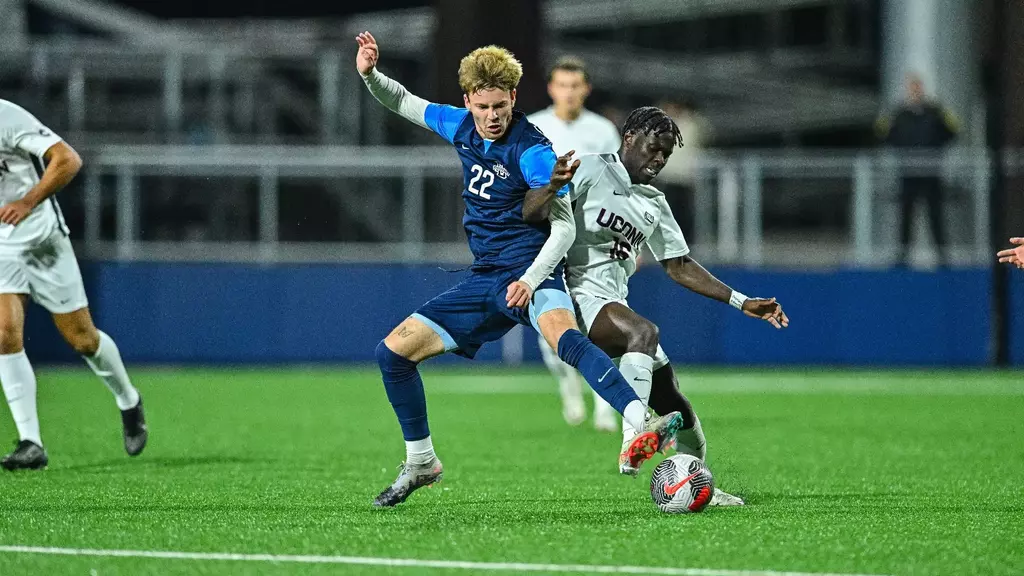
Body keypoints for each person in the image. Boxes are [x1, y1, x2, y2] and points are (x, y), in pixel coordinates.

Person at [354, 32, 682, 507]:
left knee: (566, 340)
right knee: (392, 355)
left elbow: (564, 232)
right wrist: (369, 74)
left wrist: (529, 280)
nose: (491, 117)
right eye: (483, 107)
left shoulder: (534, 151)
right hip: (486, 276)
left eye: (500, 107)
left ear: (513, 98)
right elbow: (403, 100)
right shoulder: (458, 123)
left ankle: (639, 417)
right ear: (468, 101)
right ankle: (422, 460)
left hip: (534, 269)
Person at [539, 106, 789, 504]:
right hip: (573, 297)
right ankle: (632, 437)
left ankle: (698, 479)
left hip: (611, 301)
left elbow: (679, 266)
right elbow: (536, 213)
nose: (659, 160)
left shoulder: (654, 202)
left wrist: (742, 302)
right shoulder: (587, 170)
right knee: (644, 331)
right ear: (629, 139)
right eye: (654, 149)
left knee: (674, 401)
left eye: (666, 155)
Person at [0, 99, 147, 471]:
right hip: (1, 246)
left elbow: (68, 159)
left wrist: (28, 201)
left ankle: (128, 400)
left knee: (83, 338)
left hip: (40, 238)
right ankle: (31, 442)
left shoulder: (6, 116)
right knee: (4, 333)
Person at [528, 56, 621, 432]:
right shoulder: (533, 126)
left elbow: (620, 187)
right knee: (549, 322)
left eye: (575, 85)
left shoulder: (602, 131)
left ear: (586, 89)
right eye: (562, 85)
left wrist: (628, 238)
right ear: (552, 89)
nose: (568, 92)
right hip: (544, 237)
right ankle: (567, 382)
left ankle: (603, 403)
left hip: (593, 238)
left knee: (596, 320)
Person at [876, 73, 959, 267]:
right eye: (912, 88)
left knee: (935, 214)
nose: (915, 91)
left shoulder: (934, 111)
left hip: (931, 172)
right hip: (908, 172)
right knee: (906, 214)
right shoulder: (899, 114)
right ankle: (903, 255)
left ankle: (942, 256)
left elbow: (953, 131)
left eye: (918, 87)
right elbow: (883, 134)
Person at [656, 98, 711, 242]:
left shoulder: (691, 125)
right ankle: (668, 239)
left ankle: (687, 240)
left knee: (685, 211)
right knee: (667, 210)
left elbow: (704, 132)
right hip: (668, 176)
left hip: (686, 176)